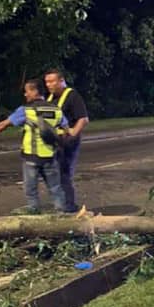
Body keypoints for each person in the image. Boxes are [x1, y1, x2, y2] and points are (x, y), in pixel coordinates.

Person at [0, 78, 67, 213]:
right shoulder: (56, 110)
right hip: (50, 157)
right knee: (55, 188)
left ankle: (34, 212)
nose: (25, 94)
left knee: (31, 190)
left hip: (31, 158)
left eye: (27, 91)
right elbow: (65, 130)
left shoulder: (26, 110)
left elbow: (2, 125)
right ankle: (62, 215)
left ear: (35, 91)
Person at [44, 67, 89, 213]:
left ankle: (69, 206)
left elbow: (83, 119)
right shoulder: (49, 98)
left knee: (64, 174)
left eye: (52, 81)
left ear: (61, 81)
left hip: (68, 142)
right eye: (47, 82)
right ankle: (61, 204)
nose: (49, 85)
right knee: (53, 174)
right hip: (53, 142)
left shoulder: (72, 96)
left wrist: (73, 134)